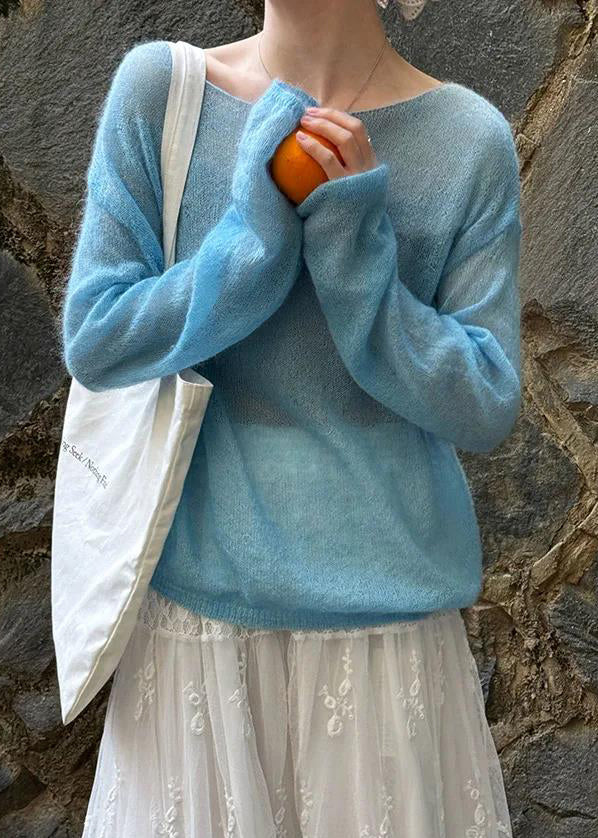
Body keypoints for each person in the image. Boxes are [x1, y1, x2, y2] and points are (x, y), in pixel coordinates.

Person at [63, 0, 521, 834]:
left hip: (388, 650)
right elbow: (98, 338)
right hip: (195, 639)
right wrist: (251, 240)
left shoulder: (468, 139)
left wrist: (354, 251)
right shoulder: (163, 93)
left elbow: (486, 403)